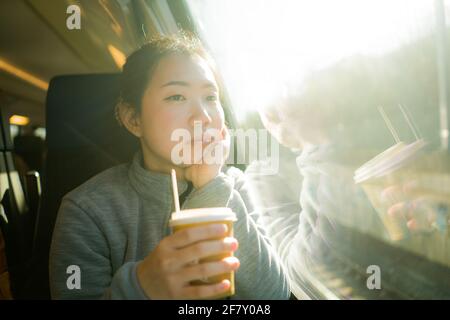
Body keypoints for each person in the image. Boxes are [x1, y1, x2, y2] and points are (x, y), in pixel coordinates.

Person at [49, 33, 290, 300]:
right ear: (133, 119)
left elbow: (274, 296)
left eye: (211, 97)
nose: (204, 116)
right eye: (176, 96)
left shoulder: (235, 187)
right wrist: (140, 287)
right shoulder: (87, 210)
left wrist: (212, 187)